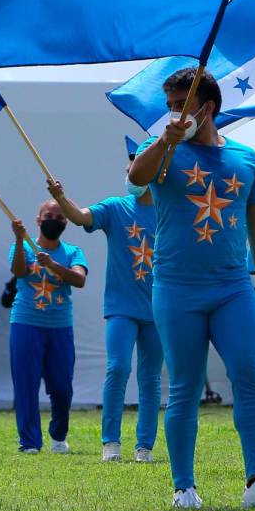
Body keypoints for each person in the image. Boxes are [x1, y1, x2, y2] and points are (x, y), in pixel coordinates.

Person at [128, 67, 255, 509]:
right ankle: (185, 488)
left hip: (234, 288)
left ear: (208, 107)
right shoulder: (161, 149)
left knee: (249, 377)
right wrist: (166, 138)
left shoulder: (246, 157)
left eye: (182, 105)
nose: (174, 114)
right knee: (184, 385)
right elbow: (137, 178)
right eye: (170, 107)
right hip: (176, 289)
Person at [47, 138, 161, 463]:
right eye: (128, 167)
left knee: (151, 377)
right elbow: (81, 217)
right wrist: (59, 198)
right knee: (118, 367)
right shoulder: (116, 207)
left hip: (158, 309)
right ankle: (110, 442)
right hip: (122, 308)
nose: (129, 172)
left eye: (135, 166)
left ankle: (145, 446)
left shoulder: (169, 211)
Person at [8, 200, 88, 454]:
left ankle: (58, 434)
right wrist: (20, 240)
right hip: (25, 323)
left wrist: (53, 265)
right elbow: (18, 271)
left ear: (66, 223)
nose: (53, 220)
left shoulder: (73, 252)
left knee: (62, 386)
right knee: (26, 383)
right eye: (48, 215)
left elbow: (79, 279)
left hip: (59, 327)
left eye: (59, 217)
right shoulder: (23, 247)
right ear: (38, 219)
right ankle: (29, 442)